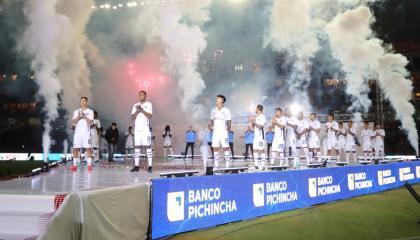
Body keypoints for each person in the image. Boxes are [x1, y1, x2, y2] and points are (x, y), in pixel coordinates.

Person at [130, 90, 153, 172]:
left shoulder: (149, 104)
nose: (140, 96)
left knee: (148, 147)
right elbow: (132, 117)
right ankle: (136, 166)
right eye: (139, 95)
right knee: (136, 147)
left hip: (145, 130)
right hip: (137, 130)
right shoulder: (135, 105)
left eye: (142, 95)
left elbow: (149, 116)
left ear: (145, 96)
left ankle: (150, 166)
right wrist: (137, 110)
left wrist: (142, 110)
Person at [71, 97, 94, 171]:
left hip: (86, 134)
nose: (83, 102)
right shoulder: (76, 111)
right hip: (77, 134)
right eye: (81, 101)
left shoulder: (90, 111)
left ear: (87, 102)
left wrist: (84, 116)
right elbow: (74, 121)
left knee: (88, 149)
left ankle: (89, 165)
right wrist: (79, 116)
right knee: (75, 149)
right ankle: (74, 165)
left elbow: (90, 122)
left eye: (84, 101)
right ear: (80, 102)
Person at [210, 95, 232, 168]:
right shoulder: (213, 110)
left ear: (222, 100)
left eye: (218, 98)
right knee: (215, 148)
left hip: (223, 132)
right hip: (215, 132)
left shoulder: (226, 110)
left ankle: (227, 166)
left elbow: (229, 120)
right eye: (216, 98)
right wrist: (213, 126)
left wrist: (229, 128)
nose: (216, 99)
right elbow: (212, 119)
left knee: (226, 148)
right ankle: (216, 166)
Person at [250, 104, 266, 169]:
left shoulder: (263, 117)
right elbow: (254, 127)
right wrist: (252, 123)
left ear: (258, 109)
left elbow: (260, 127)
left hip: (260, 136)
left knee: (261, 150)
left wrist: (254, 122)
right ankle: (256, 165)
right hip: (255, 136)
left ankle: (263, 165)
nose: (255, 110)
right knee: (255, 150)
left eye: (256, 108)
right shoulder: (256, 117)